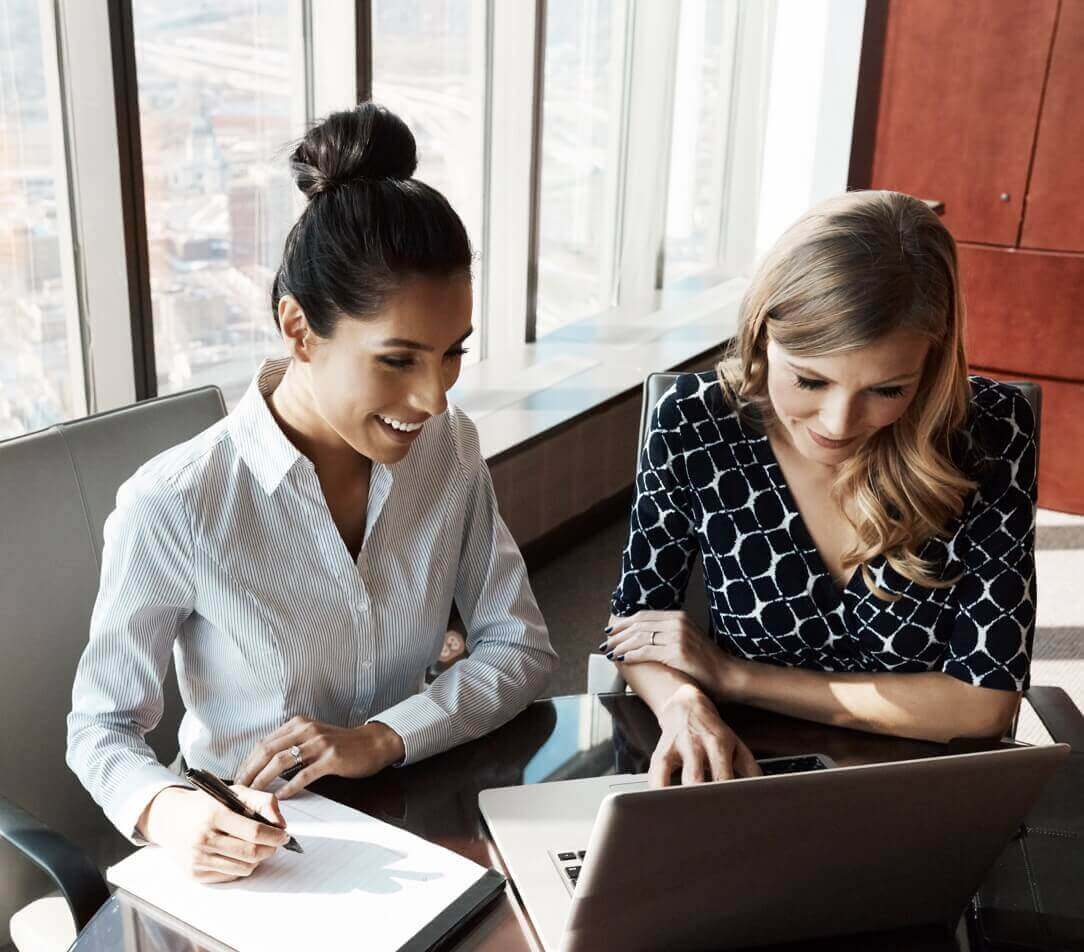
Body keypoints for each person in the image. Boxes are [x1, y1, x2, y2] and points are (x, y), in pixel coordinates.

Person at [67, 103, 557, 881]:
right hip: (263, 858)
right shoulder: (176, 504)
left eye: (452, 354)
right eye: (398, 359)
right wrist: (173, 811)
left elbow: (520, 644)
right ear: (298, 329)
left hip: (420, 816)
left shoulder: (449, 447)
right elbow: (102, 727)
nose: (433, 398)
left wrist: (385, 736)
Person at [601, 190, 1036, 787]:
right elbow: (638, 623)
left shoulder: (990, 431)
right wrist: (683, 701)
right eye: (810, 379)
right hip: (740, 771)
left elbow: (984, 706)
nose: (838, 423)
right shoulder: (696, 422)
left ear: (929, 369)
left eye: (887, 390)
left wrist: (735, 678)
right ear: (762, 335)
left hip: (921, 785)